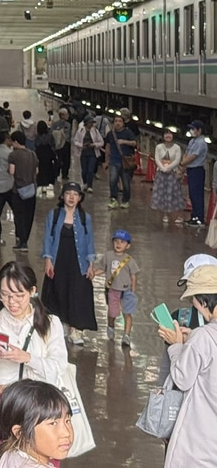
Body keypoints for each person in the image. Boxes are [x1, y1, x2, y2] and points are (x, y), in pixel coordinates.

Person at [0, 261, 69, 468]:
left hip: (38, 407)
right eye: (5, 295)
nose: (12, 302)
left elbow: (57, 367)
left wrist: (28, 358)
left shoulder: (49, 324)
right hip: (0, 404)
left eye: (19, 295)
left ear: (32, 291)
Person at [157, 264, 217, 468]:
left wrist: (176, 346)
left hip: (200, 443)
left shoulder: (204, 336)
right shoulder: (202, 337)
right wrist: (191, 338)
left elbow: (182, 378)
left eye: (196, 302)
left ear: (205, 300)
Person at [41, 181, 98, 345]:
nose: (71, 197)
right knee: (59, 291)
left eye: (75, 194)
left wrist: (91, 263)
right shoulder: (54, 215)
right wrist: (48, 260)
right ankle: (62, 325)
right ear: (62, 196)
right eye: (68, 193)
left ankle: (76, 329)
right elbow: (48, 238)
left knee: (78, 293)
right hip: (59, 259)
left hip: (78, 261)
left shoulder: (84, 217)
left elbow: (89, 241)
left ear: (80, 198)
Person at [0, 379, 75, 467]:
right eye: (53, 423)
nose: (66, 433)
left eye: (67, 421)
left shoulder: (9, 455)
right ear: (20, 432)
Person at [102, 229, 139, 348]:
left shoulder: (129, 260)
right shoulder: (108, 256)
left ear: (128, 246)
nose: (118, 244)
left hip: (127, 290)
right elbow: (102, 269)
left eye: (122, 242)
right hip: (112, 290)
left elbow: (133, 277)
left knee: (127, 313)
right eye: (116, 241)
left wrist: (133, 292)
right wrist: (92, 273)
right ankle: (110, 325)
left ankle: (126, 336)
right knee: (112, 313)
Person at [10, 133, 39, 251]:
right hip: (31, 190)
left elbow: (12, 172)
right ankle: (25, 241)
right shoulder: (33, 154)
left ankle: (20, 241)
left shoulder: (13, 155)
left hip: (18, 190)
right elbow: (36, 171)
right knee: (28, 216)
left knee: (19, 216)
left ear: (16, 142)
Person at [153, 129, 187, 225]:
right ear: (163, 136)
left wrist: (168, 167)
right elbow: (157, 159)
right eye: (166, 133)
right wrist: (162, 168)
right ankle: (165, 214)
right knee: (163, 194)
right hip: (161, 173)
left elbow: (177, 160)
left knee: (176, 194)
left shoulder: (177, 147)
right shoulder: (159, 147)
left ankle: (180, 215)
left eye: (170, 134)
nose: (168, 135)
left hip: (173, 173)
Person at [0, 131, 17, 246]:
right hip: (9, 186)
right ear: (6, 140)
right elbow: (12, 170)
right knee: (17, 211)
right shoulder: (10, 153)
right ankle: (19, 236)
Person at [182, 120, 210, 227]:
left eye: (193, 129)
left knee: (197, 194)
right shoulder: (192, 141)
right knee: (192, 194)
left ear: (199, 130)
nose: (191, 131)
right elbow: (187, 153)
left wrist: (182, 163)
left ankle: (199, 218)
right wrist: (184, 164)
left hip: (197, 170)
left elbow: (193, 156)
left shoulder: (201, 143)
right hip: (191, 170)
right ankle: (194, 216)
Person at [107, 114, 138, 208]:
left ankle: (125, 200)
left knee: (125, 182)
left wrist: (124, 142)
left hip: (125, 162)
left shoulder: (128, 133)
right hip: (113, 160)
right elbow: (108, 146)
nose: (117, 123)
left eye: (120, 121)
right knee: (112, 180)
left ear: (124, 123)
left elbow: (134, 143)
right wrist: (106, 161)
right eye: (116, 121)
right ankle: (114, 199)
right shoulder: (110, 134)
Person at [34, 120, 57, 193]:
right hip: (48, 154)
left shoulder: (37, 137)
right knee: (49, 168)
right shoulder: (50, 135)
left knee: (41, 169)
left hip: (40, 154)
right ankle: (48, 182)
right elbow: (53, 145)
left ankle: (41, 183)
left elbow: (36, 145)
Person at [51, 108, 73, 183]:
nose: (68, 116)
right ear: (62, 115)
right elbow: (68, 136)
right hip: (65, 145)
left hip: (57, 145)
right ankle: (64, 174)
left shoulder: (54, 124)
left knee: (58, 160)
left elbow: (52, 133)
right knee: (65, 160)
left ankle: (56, 174)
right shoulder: (68, 125)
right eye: (66, 114)